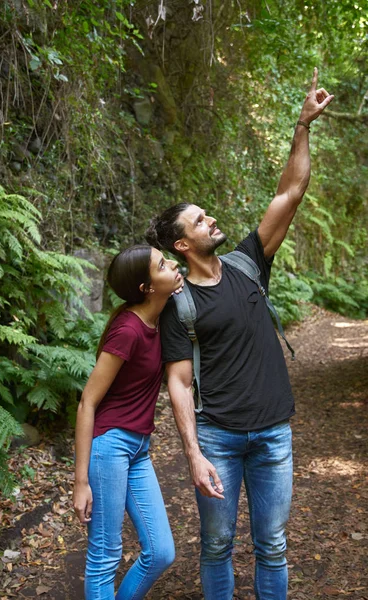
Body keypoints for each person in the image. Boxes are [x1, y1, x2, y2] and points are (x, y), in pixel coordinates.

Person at [145, 68, 334, 600]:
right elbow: (178, 383)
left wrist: (303, 125)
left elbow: (292, 191)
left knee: (272, 544)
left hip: (274, 431)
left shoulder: (249, 263)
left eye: (206, 215)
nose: (210, 221)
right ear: (182, 245)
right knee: (217, 544)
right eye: (199, 221)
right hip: (219, 438)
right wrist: (193, 454)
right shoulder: (177, 303)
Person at [73, 244, 183, 600]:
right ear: (145, 288)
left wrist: (174, 285)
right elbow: (88, 400)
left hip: (138, 448)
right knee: (105, 556)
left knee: (161, 552)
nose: (174, 264)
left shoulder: (160, 315)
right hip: (110, 446)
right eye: (163, 264)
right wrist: (80, 482)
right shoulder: (128, 331)